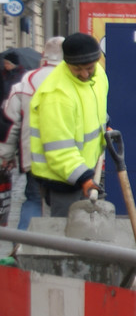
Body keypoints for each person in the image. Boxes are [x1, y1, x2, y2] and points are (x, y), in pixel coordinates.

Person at [29, 33, 109, 217]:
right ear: (66, 63)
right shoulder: (57, 95)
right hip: (62, 178)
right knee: (66, 236)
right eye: (76, 69)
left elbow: (96, 110)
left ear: (97, 60)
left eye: (89, 68)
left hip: (86, 170)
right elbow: (59, 150)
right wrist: (84, 178)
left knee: (83, 233)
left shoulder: (98, 76)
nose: (84, 74)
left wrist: (106, 125)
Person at [1, 37, 64, 229]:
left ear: (44, 54)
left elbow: (11, 121)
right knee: (64, 205)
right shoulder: (75, 80)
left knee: (33, 200)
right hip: (70, 157)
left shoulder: (28, 80)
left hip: (34, 156)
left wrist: (6, 155)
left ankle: (21, 246)